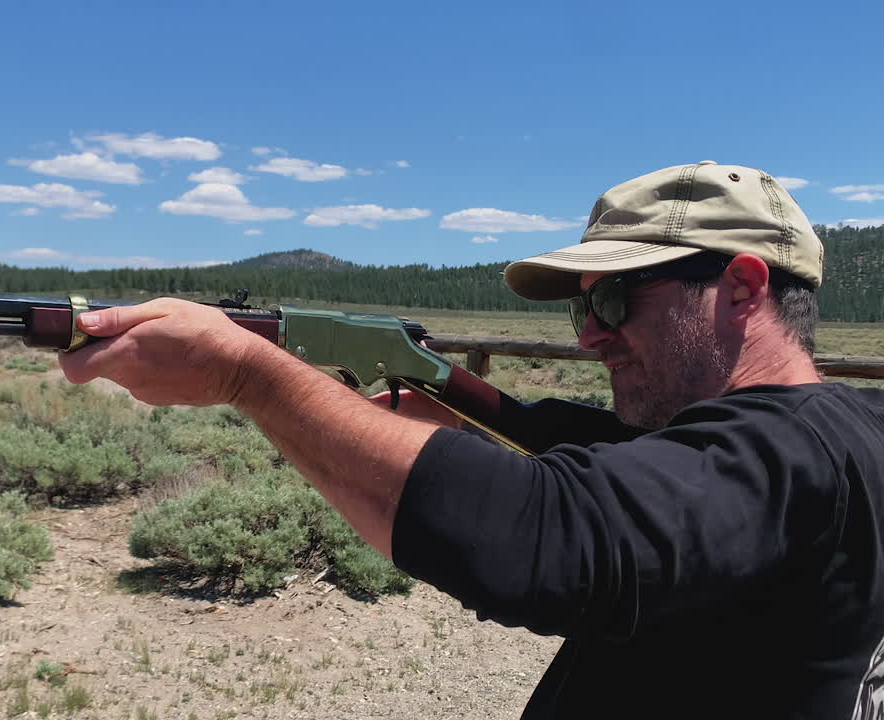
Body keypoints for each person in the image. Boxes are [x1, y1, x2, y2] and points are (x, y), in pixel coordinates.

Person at [59, 161, 884, 719]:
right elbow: (578, 441)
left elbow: (549, 543)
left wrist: (248, 375)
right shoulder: (847, 425)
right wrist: (440, 388)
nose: (591, 337)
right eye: (578, 310)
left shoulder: (785, 456)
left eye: (611, 303)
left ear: (741, 287)